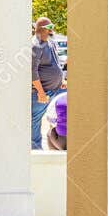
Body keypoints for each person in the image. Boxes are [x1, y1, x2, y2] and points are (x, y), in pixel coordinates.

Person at [31, 17, 63, 149]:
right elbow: (33, 71)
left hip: (56, 89)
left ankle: (58, 142)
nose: (52, 30)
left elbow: (54, 64)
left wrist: (61, 81)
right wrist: (41, 92)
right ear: (41, 29)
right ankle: (35, 149)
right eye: (50, 28)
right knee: (35, 121)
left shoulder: (49, 42)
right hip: (43, 92)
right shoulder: (35, 45)